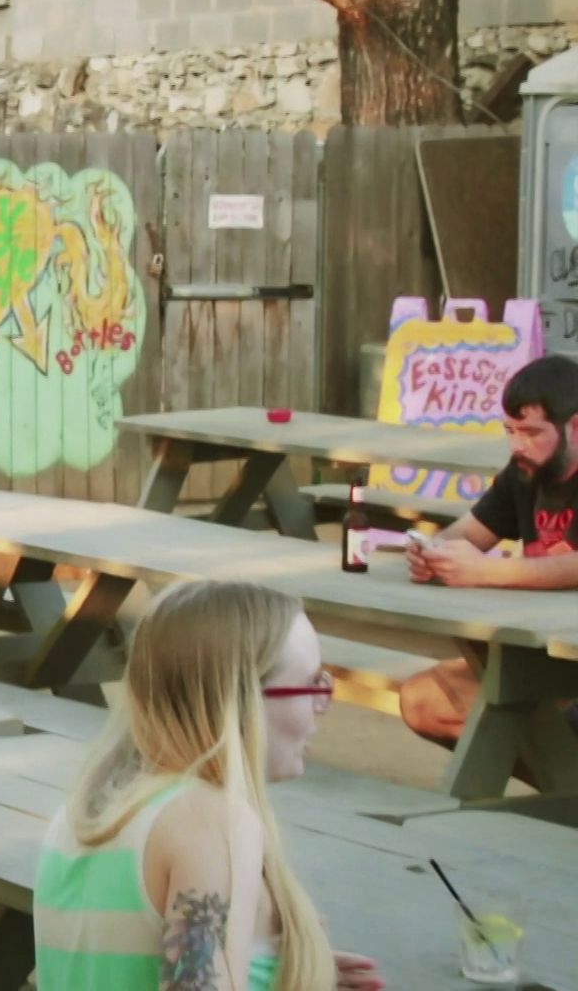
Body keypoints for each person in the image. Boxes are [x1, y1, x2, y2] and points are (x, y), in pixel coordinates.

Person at [34, 581, 382, 991]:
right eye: (311, 685)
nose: (322, 706)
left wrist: (276, 973)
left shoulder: (88, 809)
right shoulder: (211, 822)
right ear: (242, 700)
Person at [399, 354, 578, 753]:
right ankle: (563, 781)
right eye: (510, 430)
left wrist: (486, 572)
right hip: (538, 656)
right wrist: (432, 554)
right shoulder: (524, 472)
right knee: (422, 701)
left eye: (531, 432)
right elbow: (466, 533)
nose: (517, 445)